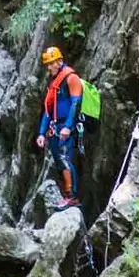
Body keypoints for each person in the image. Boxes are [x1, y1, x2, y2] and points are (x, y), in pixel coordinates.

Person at [35, 47, 84, 209]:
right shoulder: (54, 83)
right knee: (59, 160)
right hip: (55, 126)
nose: (49, 68)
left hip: (65, 127)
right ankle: (67, 193)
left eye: (51, 64)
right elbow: (48, 110)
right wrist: (41, 133)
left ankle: (72, 196)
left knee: (65, 159)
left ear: (59, 62)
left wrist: (68, 127)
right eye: (47, 64)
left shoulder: (71, 78)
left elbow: (75, 103)